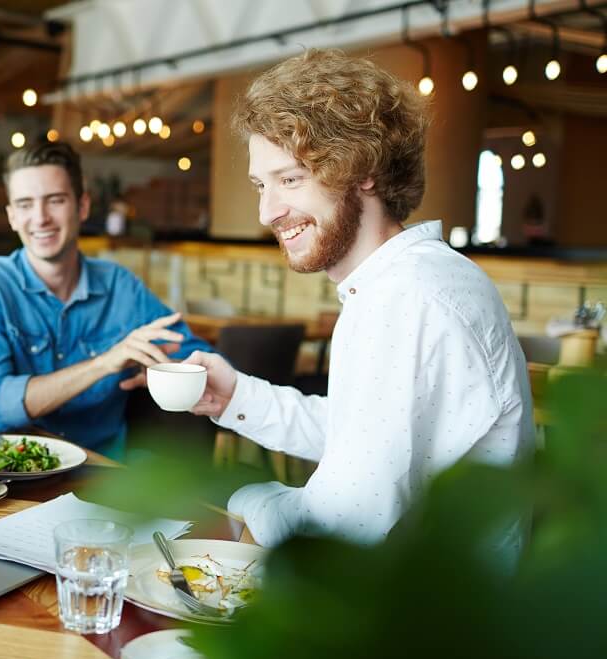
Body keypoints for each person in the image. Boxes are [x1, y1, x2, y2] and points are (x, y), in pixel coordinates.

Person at [184, 50, 533, 551]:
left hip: (425, 616)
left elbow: (344, 522)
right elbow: (365, 437)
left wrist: (244, 500)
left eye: (290, 180)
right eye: (262, 185)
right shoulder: (414, 279)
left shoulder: (406, 298)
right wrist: (236, 396)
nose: (268, 212)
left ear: (363, 169)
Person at [0, 141, 211, 459]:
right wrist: (104, 364)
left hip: (99, 471)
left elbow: (204, 358)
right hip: (7, 467)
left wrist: (169, 371)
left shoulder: (121, 287)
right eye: (25, 204)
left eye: (55, 200)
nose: (40, 218)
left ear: (82, 207)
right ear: (11, 216)